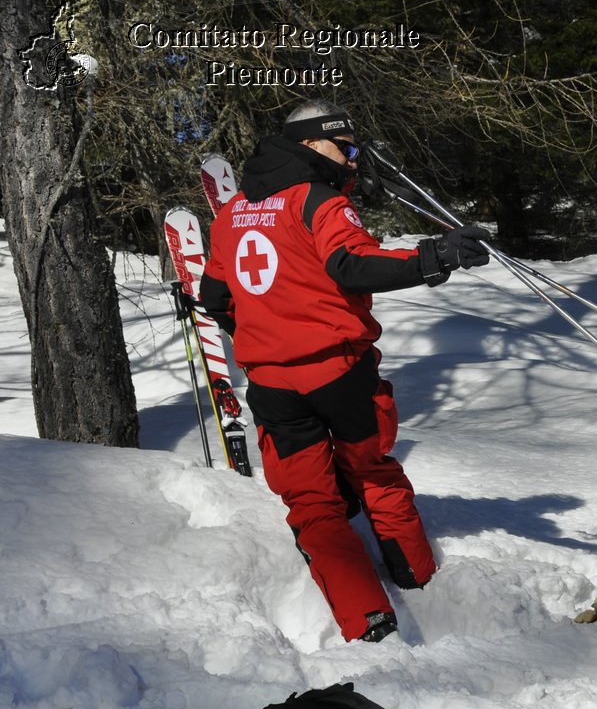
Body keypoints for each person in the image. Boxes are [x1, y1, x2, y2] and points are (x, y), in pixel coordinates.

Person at [199, 99, 491, 644]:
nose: (353, 159)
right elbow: (353, 265)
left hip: (272, 383)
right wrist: (436, 256)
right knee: (373, 471)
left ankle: (366, 622)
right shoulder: (320, 200)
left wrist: (261, 334)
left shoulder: (232, 211)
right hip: (339, 372)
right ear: (311, 145)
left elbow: (214, 294)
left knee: (311, 501)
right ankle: (419, 579)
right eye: (345, 147)